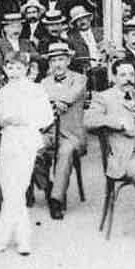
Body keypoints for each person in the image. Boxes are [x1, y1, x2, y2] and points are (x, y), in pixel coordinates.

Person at [84, 58, 135, 251]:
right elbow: (88, 120)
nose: (128, 79)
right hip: (125, 157)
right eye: (122, 75)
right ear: (113, 77)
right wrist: (117, 122)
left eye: (131, 74)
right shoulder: (103, 97)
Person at [0, 51, 53, 257]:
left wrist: (24, 120)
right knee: (9, 188)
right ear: (5, 68)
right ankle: (23, 239)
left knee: (17, 188)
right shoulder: (3, 91)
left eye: (18, 67)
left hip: (26, 141)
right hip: (8, 140)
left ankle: (0, 239)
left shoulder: (35, 90)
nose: (14, 71)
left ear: (26, 68)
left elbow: (46, 117)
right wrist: (4, 120)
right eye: (10, 67)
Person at [35, 42, 88, 220]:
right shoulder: (44, 82)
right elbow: (38, 100)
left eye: (61, 59)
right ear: (49, 64)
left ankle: (56, 201)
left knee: (65, 152)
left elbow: (71, 96)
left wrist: (51, 99)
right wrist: (55, 101)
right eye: (53, 61)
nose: (57, 64)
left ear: (68, 61)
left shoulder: (79, 79)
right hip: (49, 132)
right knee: (32, 148)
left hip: (71, 134)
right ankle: (49, 187)